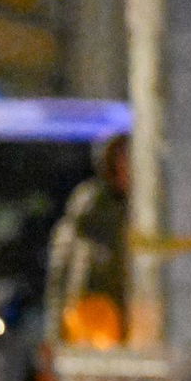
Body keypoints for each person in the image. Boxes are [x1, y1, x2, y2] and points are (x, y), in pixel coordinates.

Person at [43, 133, 130, 343]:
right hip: (93, 333)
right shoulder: (88, 214)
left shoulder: (145, 214)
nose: (127, 166)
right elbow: (62, 282)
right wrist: (55, 337)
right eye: (121, 158)